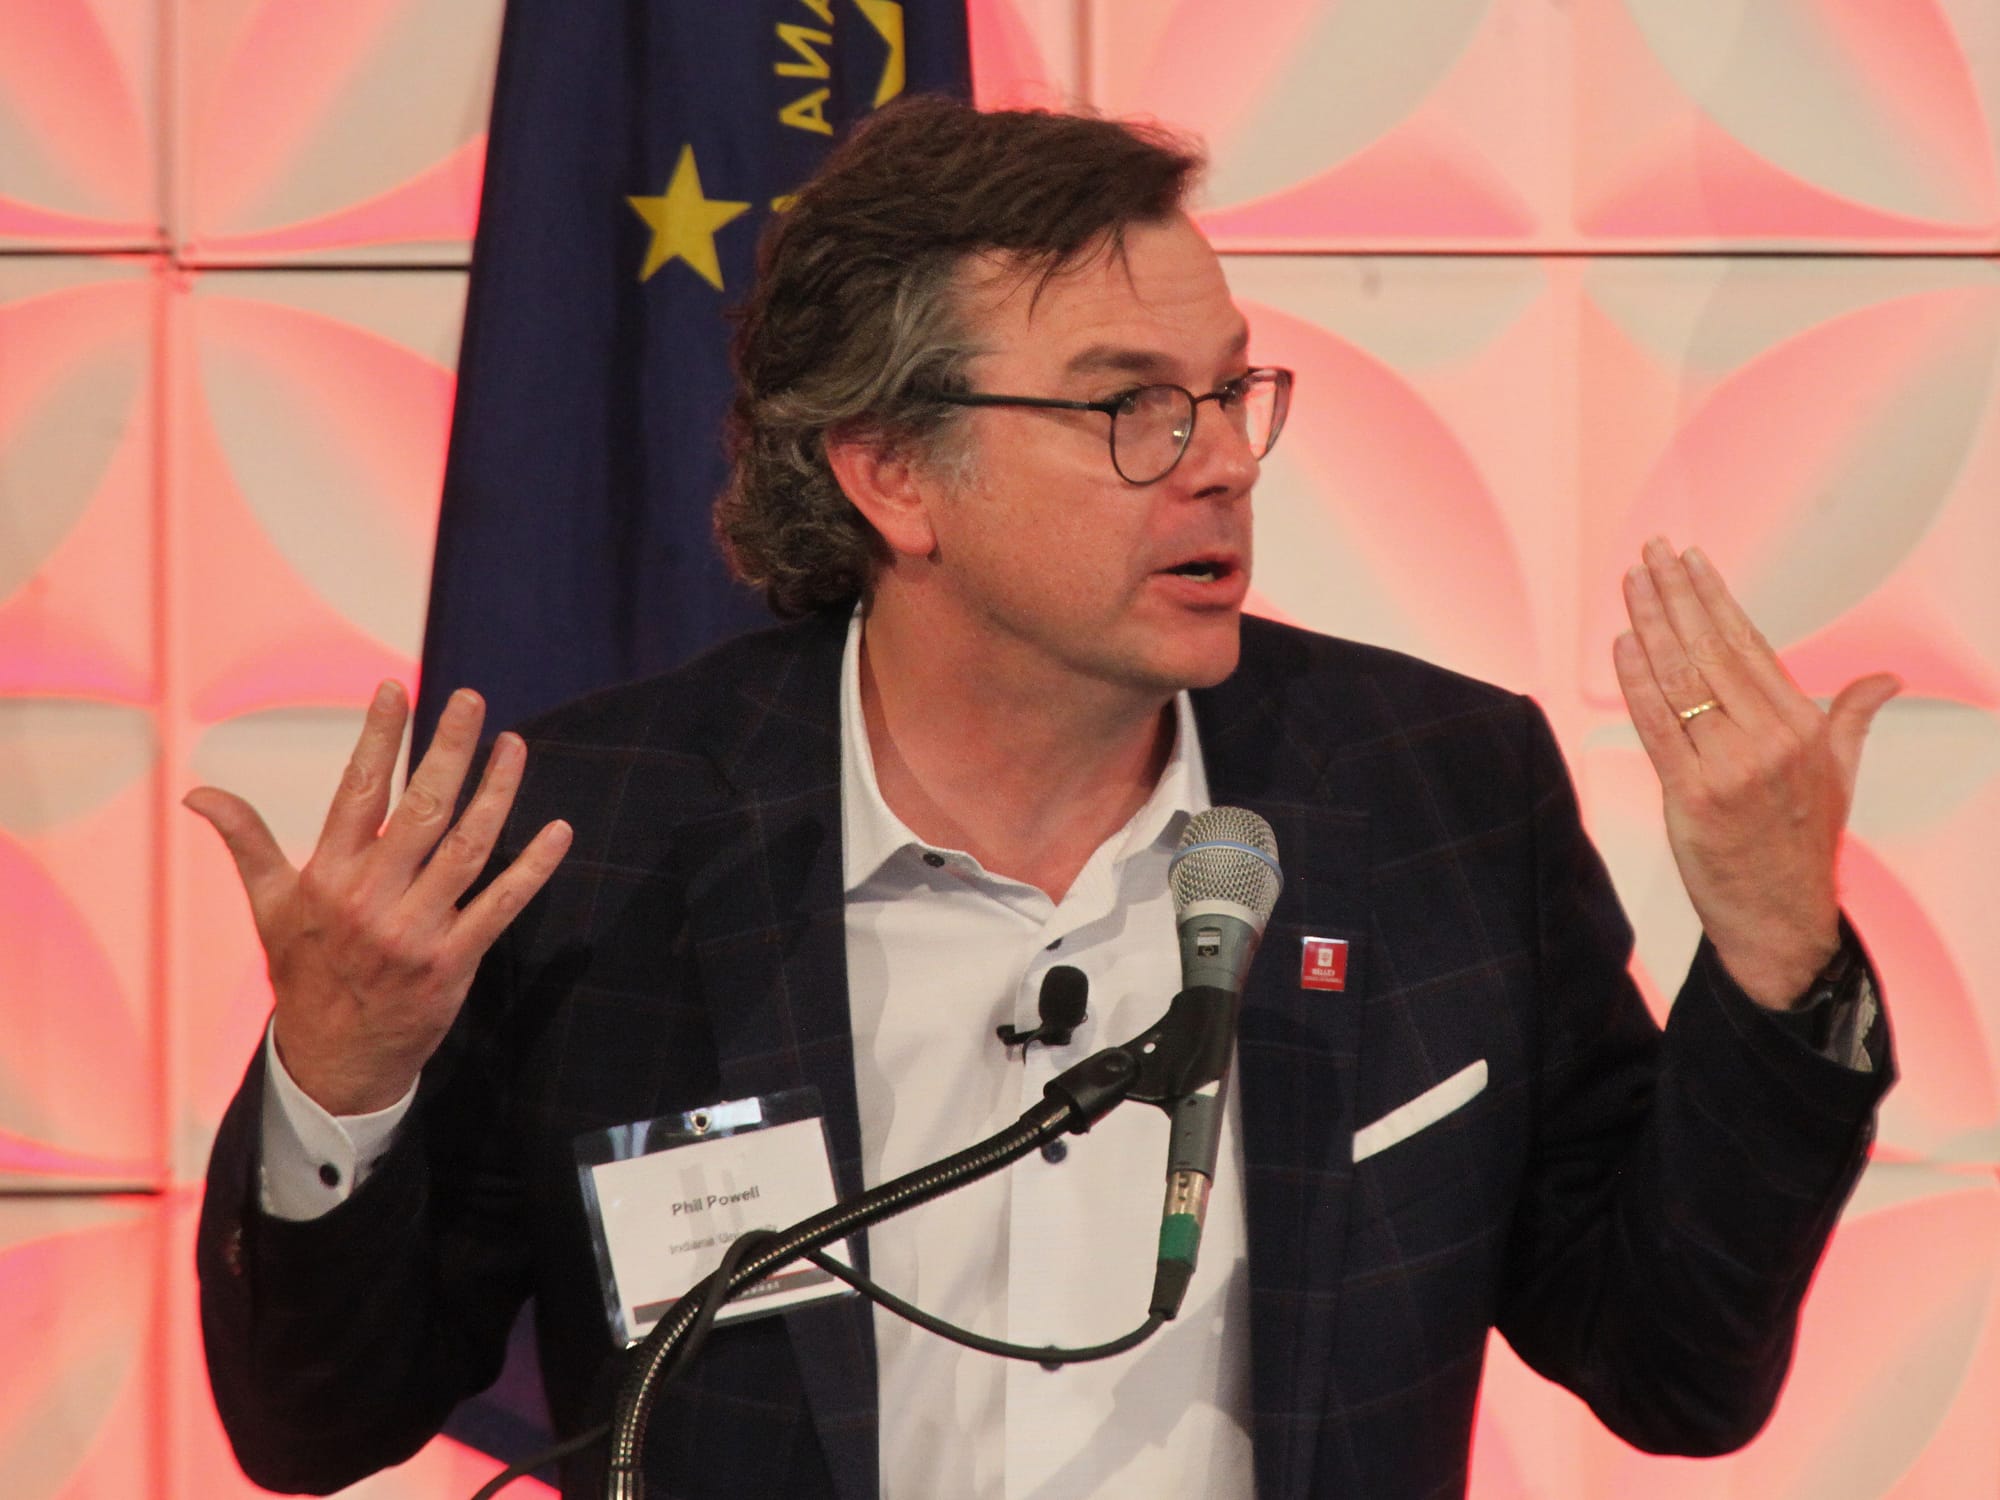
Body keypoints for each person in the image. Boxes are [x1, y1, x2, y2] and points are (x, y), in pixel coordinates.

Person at [191, 99, 1896, 1500]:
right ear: (893, 473)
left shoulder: (1435, 794)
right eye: (1129, 406)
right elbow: (316, 1424)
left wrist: (1774, 958)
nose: (1220, 458)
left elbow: (1672, 1367)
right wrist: (342, 1079)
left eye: (1228, 390)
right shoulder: (598, 839)